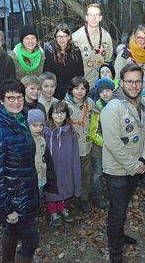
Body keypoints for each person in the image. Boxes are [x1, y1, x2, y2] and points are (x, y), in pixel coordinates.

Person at [101, 63, 145, 263]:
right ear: (121, 82)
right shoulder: (113, 107)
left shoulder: (144, 104)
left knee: (123, 207)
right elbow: (114, 144)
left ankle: (119, 236)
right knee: (117, 212)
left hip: (136, 167)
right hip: (118, 170)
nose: (134, 86)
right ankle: (115, 253)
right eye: (130, 82)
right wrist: (134, 166)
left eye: (137, 81)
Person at [0, 79, 39, 263]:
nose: (16, 102)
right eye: (10, 98)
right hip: (15, 198)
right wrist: (7, 210)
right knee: (31, 241)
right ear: (1, 100)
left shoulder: (21, 118)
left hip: (25, 189)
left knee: (12, 230)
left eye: (19, 97)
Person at [43, 101, 81, 227]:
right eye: (56, 112)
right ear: (50, 114)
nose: (59, 115)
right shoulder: (45, 131)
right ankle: (52, 212)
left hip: (65, 165)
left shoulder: (70, 131)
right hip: (50, 166)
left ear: (66, 115)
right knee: (52, 187)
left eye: (62, 113)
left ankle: (61, 207)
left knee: (63, 185)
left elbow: (75, 150)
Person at [65, 76, 95, 212]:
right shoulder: (64, 105)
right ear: (71, 90)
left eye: (83, 89)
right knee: (69, 174)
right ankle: (69, 198)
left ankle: (84, 198)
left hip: (86, 147)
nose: (80, 91)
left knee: (85, 174)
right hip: (70, 148)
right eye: (76, 88)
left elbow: (96, 120)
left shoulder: (90, 103)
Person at [88, 78, 115, 209]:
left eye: (108, 91)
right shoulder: (96, 107)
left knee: (112, 170)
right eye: (102, 91)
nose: (105, 94)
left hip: (115, 146)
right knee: (97, 172)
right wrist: (106, 142)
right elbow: (93, 131)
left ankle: (112, 192)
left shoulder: (117, 104)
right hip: (100, 146)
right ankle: (96, 194)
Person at [72, 3, 114, 88]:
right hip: (83, 86)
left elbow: (108, 61)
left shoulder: (106, 36)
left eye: (96, 15)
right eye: (91, 15)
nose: (93, 18)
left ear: (100, 18)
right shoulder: (75, 37)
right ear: (86, 17)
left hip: (101, 86)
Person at [115, 25, 145, 93]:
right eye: (139, 37)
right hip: (129, 96)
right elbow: (117, 79)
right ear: (134, 37)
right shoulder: (123, 56)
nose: (142, 41)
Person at [43, 23, 84, 99]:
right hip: (54, 90)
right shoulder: (49, 51)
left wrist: (75, 89)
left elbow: (80, 73)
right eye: (59, 36)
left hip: (71, 90)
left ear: (69, 37)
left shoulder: (75, 51)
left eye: (64, 36)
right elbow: (47, 73)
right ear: (55, 37)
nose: (61, 39)